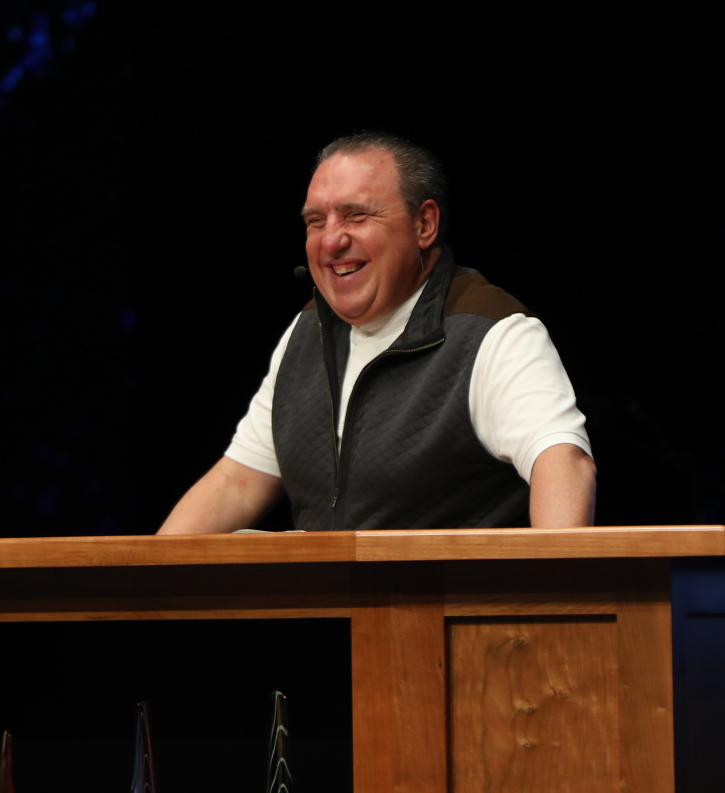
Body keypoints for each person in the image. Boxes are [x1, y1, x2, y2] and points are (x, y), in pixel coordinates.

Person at [158, 132, 595, 534]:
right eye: (316, 221)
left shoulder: (493, 332)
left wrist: (555, 586)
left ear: (424, 225)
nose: (331, 241)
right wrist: (144, 580)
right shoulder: (307, 331)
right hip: (326, 597)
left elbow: (563, 464)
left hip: (448, 598)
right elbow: (237, 483)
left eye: (356, 215)